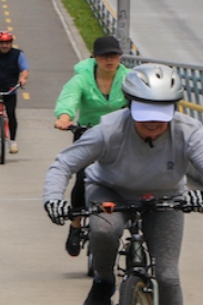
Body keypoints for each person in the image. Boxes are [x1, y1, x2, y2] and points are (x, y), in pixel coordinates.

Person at [43, 64, 203, 305]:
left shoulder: (188, 132)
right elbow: (64, 164)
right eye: (145, 113)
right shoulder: (109, 129)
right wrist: (53, 199)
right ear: (130, 104)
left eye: (161, 113)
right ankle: (103, 281)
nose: (153, 122)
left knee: (168, 276)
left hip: (166, 198)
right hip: (110, 190)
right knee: (105, 229)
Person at [54, 36, 129, 257]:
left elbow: (143, 97)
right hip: (88, 134)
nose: (109, 59)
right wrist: (64, 117)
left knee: (130, 177)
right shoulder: (82, 78)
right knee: (82, 178)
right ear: (95, 58)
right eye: (104, 55)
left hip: (119, 136)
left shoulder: (128, 78)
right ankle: (76, 225)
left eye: (114, 55)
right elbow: (69, 98)